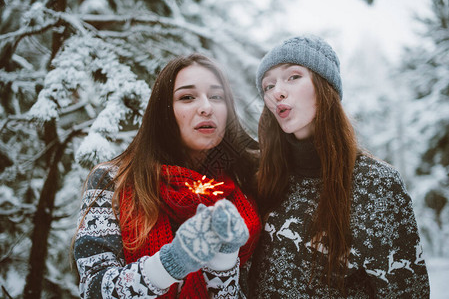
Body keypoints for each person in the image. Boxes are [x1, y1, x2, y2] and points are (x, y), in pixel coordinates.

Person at [249, 35, 430, 298]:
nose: (277, 91)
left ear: (325, 87)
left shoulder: (376, 185)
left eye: (293, 77)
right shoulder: (264, 179)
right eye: (268, 85)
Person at [73, 53, 261, 298]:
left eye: (216, 96)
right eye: (187, 97)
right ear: (164, 111)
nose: (206, 107)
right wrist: (170, 263)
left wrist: (223, 263)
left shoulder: (245, 187)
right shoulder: (112, 181)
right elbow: (93, 288)